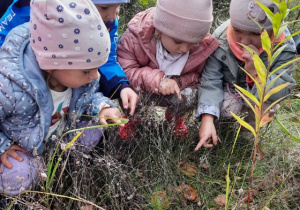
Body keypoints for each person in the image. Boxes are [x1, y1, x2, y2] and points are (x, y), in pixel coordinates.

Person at [0, 0, 122, 195]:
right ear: (51, 63)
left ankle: (66, 164)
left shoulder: (79, 77)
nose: (96, 76)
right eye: (87, 71)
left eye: (96, 68)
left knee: (96, 128)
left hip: (60, 136)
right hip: (25, 148)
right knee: (16, 174)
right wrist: (3, 146)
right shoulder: (11, 84)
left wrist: (103, 107)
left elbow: (89, 97)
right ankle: (26, 191)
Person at [195, 0, 296, 150]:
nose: (244, 40)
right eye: (238, 30)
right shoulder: (221, 39)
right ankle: (222, 129)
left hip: (258, 93)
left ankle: (248, 136)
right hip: (230, 90)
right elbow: (211, 79)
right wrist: (207, 117)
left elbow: (282, 89)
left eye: (255, 34)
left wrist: (255, 71)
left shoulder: (284, 47)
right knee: (226, 108)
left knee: (267, 106)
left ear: (271, 30)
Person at [117, 0, 220, 140]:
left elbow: (198, 75)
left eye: (192, 43)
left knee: (190, 95)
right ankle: (132, 119)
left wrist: (178, 81)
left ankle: (176, 118)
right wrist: (158, 81)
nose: (184, 49)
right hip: (142, 90)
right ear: (159, 29)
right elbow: (125, 71)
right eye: (178, 42)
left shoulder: (201, 47)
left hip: (175, 92)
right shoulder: (136, 37)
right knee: (128, 92)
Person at [91, 0, 139, 117]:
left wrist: (122, 86)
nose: (113, 15)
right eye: (104, 7)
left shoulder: (109, 23)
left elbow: (108, 59)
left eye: (118, 6)